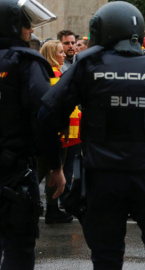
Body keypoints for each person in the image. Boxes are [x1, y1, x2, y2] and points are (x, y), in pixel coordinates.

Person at [39, 2, 145, 269]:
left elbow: (48, 112)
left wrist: (55, 164)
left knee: (107, 256)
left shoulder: (87, 66)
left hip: (103, 178)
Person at [0, 0, 65, 269]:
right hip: (12, 174)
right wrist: (55, 165)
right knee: (18, 250)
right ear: (15, 26)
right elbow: (44, 116)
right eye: (27, 24)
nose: (30, 31)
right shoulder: (26, 62)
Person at [39, 40, 75, 224]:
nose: (64, 55)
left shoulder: (52, 72)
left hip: (60, 131)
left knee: (49, 170)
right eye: (60, 52)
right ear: (53, 54)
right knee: (47, 169)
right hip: (57, 132)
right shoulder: (52, 74)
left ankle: (52, 209)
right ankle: (51, 209)